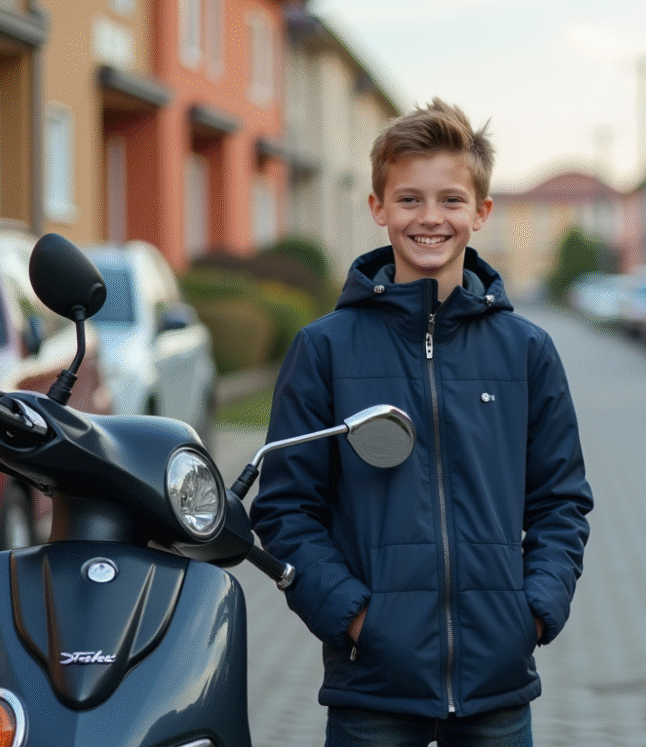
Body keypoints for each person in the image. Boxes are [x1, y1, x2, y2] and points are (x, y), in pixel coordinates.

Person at [250, 98, 594, 747]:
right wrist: (354, 619)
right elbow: (287, 508)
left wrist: (535, 614)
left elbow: (560, 502)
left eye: (451, 201)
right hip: (372, 686)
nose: (430, 218)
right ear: (378, 208)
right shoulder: (324, 350)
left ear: (481, 213)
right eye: (409, 199)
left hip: (497, 684)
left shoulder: (527, 351)